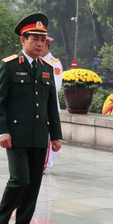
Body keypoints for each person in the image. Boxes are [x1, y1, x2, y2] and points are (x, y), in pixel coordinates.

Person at [0, 14, 62, 224]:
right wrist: (2, 131)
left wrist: (57, 135)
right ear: (23, 41)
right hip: (15, 135)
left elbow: (51, 104)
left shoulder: (46, 68)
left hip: (39, 136)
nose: (40, 44)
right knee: (19, 179)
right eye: (35, 39)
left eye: (43, 40)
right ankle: (1, 221)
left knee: (33, 186)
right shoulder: (9, 65)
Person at [41, 36, 63, 173]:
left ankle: (46, 165)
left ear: (46, 45)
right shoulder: (37, 62)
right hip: (38, 104)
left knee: (49, 136)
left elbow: (56, 85)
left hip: (50, 104)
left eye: (41, 42)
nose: (38, 45)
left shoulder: (53, 63)